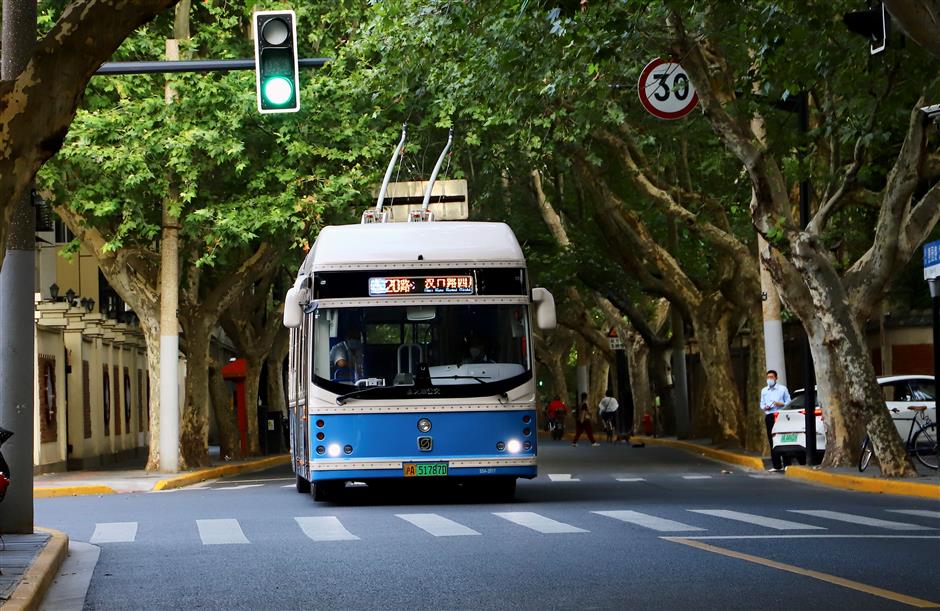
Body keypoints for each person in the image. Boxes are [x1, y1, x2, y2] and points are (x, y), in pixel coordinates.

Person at [760, 369, 791, 472]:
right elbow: (762, 403)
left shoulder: (782, 389)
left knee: (783, 438)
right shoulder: (764, 390)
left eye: (772, 377)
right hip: (769, 415)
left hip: (780, 415)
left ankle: (787, 463)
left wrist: (780, 404)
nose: (770, 379)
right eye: (768, 377)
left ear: (776, 378)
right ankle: (776, 465)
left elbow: (789, 402)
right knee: (772, 440)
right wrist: (765, 407)